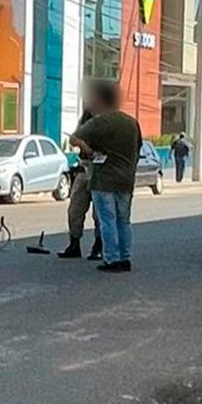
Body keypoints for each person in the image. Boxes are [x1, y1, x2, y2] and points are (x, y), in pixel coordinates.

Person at [71, 81, 141, 273]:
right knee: (123, 220)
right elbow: (138, 148)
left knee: (107, 220)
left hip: (104, 180)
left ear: (100, 99)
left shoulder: (100, 122)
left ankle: (111, 259)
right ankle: (125, 258)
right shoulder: (131, 123)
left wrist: (88, 150)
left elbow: (74, 138)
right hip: (126, 180)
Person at [59, 108, 102, 260]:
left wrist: (86, 147)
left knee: (99, 212)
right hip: (84, 168)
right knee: (75, 209)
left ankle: (99, 245)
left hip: (100, 170)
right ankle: (74, 243)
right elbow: (74, 139)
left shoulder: (107, 121)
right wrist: (77, 141)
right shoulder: (86, 118)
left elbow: (103, 151)